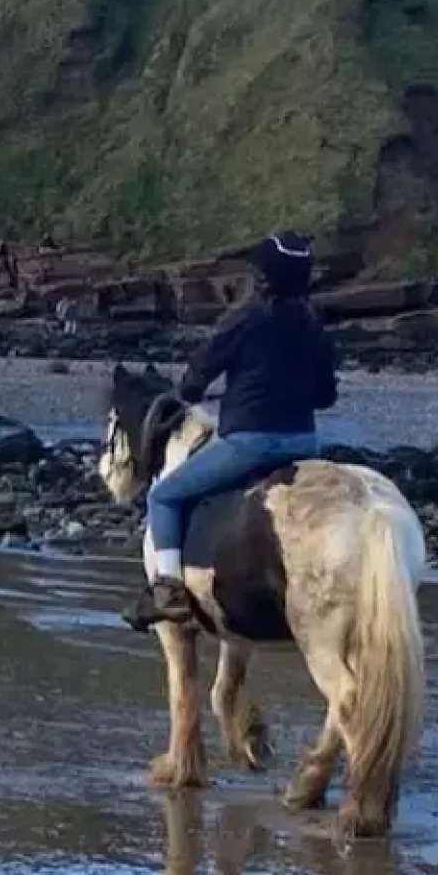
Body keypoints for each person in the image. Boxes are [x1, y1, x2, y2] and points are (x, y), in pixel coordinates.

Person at [124, 231, 339, 631]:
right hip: (306, 443)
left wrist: (194, 390)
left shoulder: (245, 318)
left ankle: (167, 590)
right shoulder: (314, 326)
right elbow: (326, 397)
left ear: (263, 278)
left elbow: (194, 382)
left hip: (250, 442)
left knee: (164, 495)